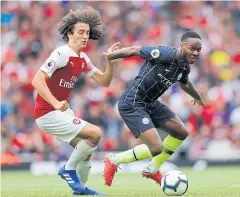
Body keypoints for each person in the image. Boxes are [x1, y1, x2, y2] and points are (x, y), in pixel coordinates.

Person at [32, 7, 120, 195]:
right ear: (70, 33)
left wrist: (110, 64)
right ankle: (68, 169)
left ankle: (80, 191)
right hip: (47, 113)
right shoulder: (62, 53)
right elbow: (37, 80)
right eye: (80, 32)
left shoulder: (82, 59)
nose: (85, 36)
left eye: (87, 33)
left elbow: (104, 81)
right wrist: (55, 103)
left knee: (87, 148)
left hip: (60, 112)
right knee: (95, 133)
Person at [103, 31, 205, 186]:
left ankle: (152, 168)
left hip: (151, 103)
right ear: (182, 46)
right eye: (192, 48)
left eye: (199, 50)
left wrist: (197, 96)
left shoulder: (184, 68)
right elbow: (136, 50)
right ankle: (114, 159)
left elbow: (185, 84)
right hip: (133, 102)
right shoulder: (165, 54)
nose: (196, 53)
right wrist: (112, 55)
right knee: (156, 148)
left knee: (181, 132)